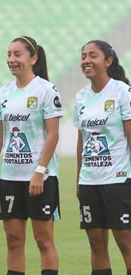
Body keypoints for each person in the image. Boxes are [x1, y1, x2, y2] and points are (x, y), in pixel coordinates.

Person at [0, 36, 62, 275]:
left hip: (40, 178)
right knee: (13, 241)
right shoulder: (4, 92)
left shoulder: (46, 90)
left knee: (43, 240)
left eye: (17, 54)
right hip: (10, 178)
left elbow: (53, 135)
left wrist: (39, 172)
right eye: (9, 54)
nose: (11, 60)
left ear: (33, 58)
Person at [75, 40, 131, 275]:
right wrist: (79, 179)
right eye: (83, 56)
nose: (86, 60)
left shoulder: (122, 92)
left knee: (125, 242)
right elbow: (81, 141)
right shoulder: (81, 97)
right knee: (96, 244)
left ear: (108, 61)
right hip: (90, 181)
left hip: (118, 180)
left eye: (93, 55)